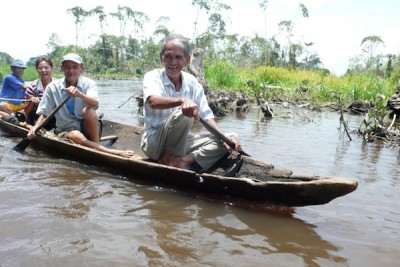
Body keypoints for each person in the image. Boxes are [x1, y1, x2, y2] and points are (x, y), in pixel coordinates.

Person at [141, 34, 242, 172]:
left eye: (178, 57)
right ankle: (166, 159)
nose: (172, 62)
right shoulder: (153, 76)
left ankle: (182, 161)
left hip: (180, 143)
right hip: (154, 143)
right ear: (161, 57)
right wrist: (182, 101)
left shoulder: (192, 82)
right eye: (168, 56)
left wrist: (224, 138)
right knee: (185, 112)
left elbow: (207, 117)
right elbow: (153, 101)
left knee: (228, 140)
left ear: (187, 60)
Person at [27, 53, 134, 158]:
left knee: (89, 111)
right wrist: (34, 128)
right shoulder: (52, 87)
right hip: (66, 129)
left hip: (87, 126)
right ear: (62, 68)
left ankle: (95, 146)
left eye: (75, 67)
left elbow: (95, 103)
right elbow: (45, 114)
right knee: (76, 135)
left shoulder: (89, 83)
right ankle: (107, 151)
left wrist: (80, 94)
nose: (71, 71)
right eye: (67, 67)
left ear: (81, 69)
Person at [25, 57, 56, 128]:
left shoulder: (59, 85)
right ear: (37, 70)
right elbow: (26, 111)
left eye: (46, 67)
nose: (43, 70)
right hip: (35, 120)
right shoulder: (32, 87)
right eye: (40, 68)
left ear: (51, 68)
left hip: (55, 120)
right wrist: (31, 102)